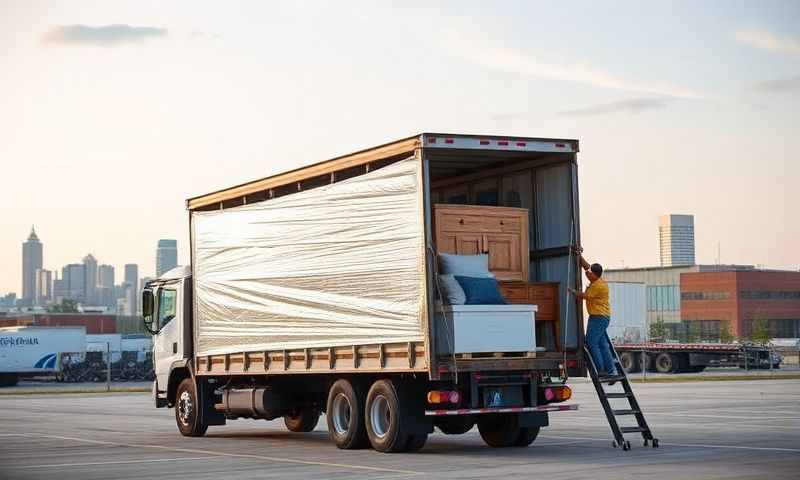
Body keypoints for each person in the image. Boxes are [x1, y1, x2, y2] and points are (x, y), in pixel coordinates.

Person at [568, 248, 618, 378]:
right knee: (602, 344)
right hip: (601, 317)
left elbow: (585, 296)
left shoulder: (598, 286)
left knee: (591, 343)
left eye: (590, 273)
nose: (587, 274)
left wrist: (572, 292)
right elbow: (586, 267)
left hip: (598, 318)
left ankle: (601, 369)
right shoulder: (596, 279)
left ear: (595, 274)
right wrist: (579, 256)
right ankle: (611, 370)